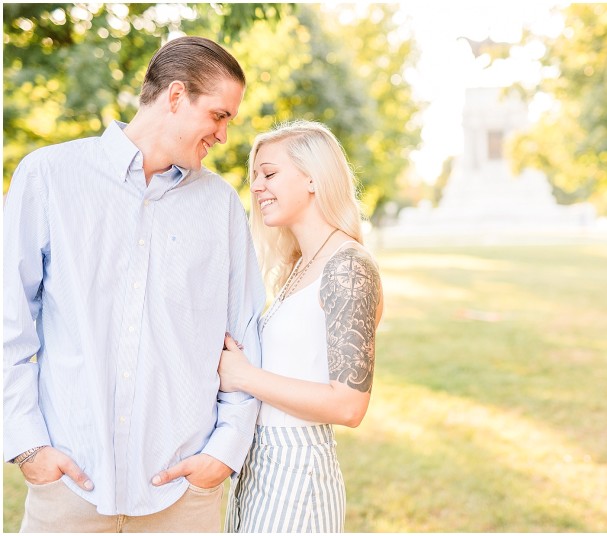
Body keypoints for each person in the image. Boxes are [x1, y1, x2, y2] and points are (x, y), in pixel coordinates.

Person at [3, 36, 265, 532]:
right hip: (70, 490)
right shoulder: (49, 177)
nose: (224, 136)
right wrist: (28, 447)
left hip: (184, 496)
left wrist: (222, 454)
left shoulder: (221, 205)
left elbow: (244, 335)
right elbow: (7, 324)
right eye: (219, 116)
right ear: (175, 96)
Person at [218, 120, 384, 533]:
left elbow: (349, 406)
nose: (257, 186)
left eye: (270, 173)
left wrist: (245, 377)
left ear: (313, 179)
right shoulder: (298, 266)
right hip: (260, 466)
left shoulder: (349, 266)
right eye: (254, 175)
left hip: (298, 471)